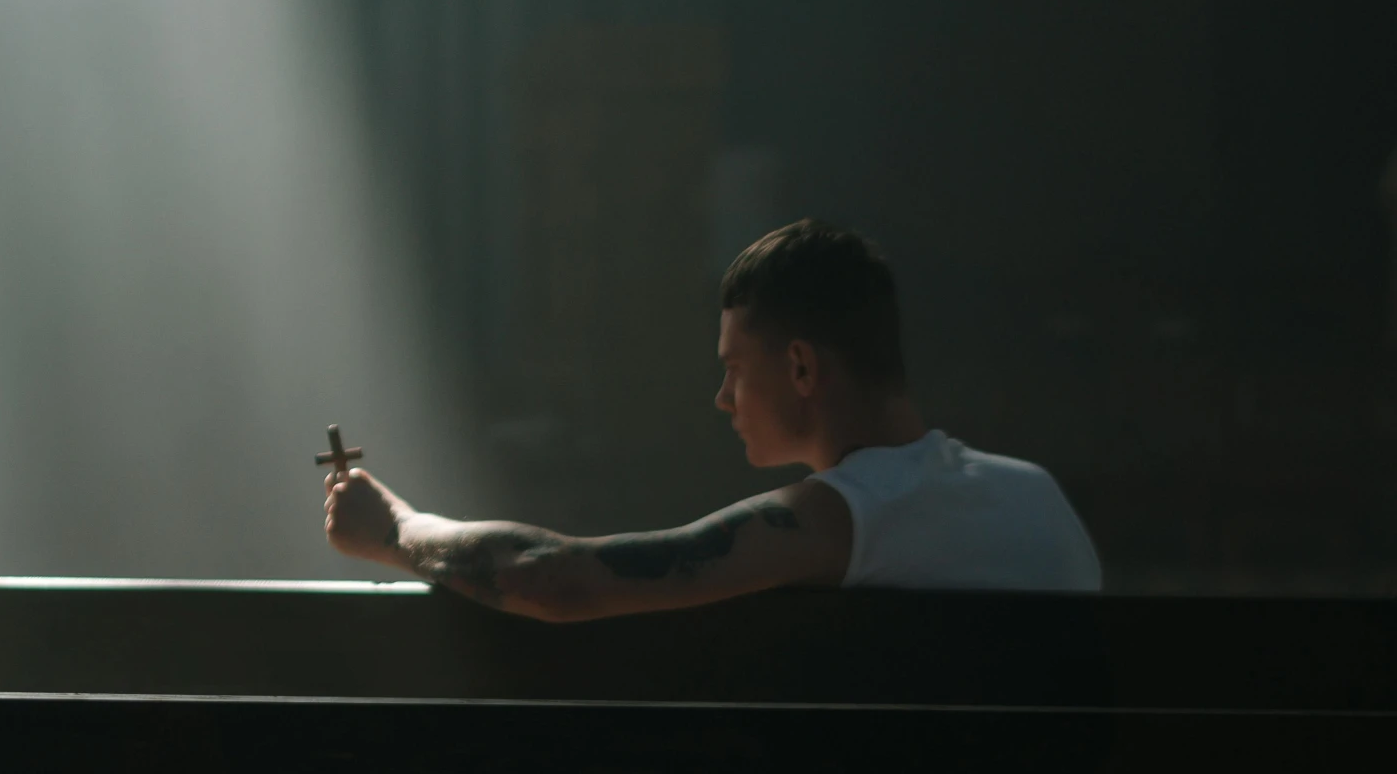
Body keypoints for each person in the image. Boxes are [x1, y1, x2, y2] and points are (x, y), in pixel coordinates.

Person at [324, 219, 1102, 616]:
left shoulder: (851, 515)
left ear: (799, 367)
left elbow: (559, 581)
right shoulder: (1038, 495)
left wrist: (395, 527)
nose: (723, 399)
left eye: (733, 368)